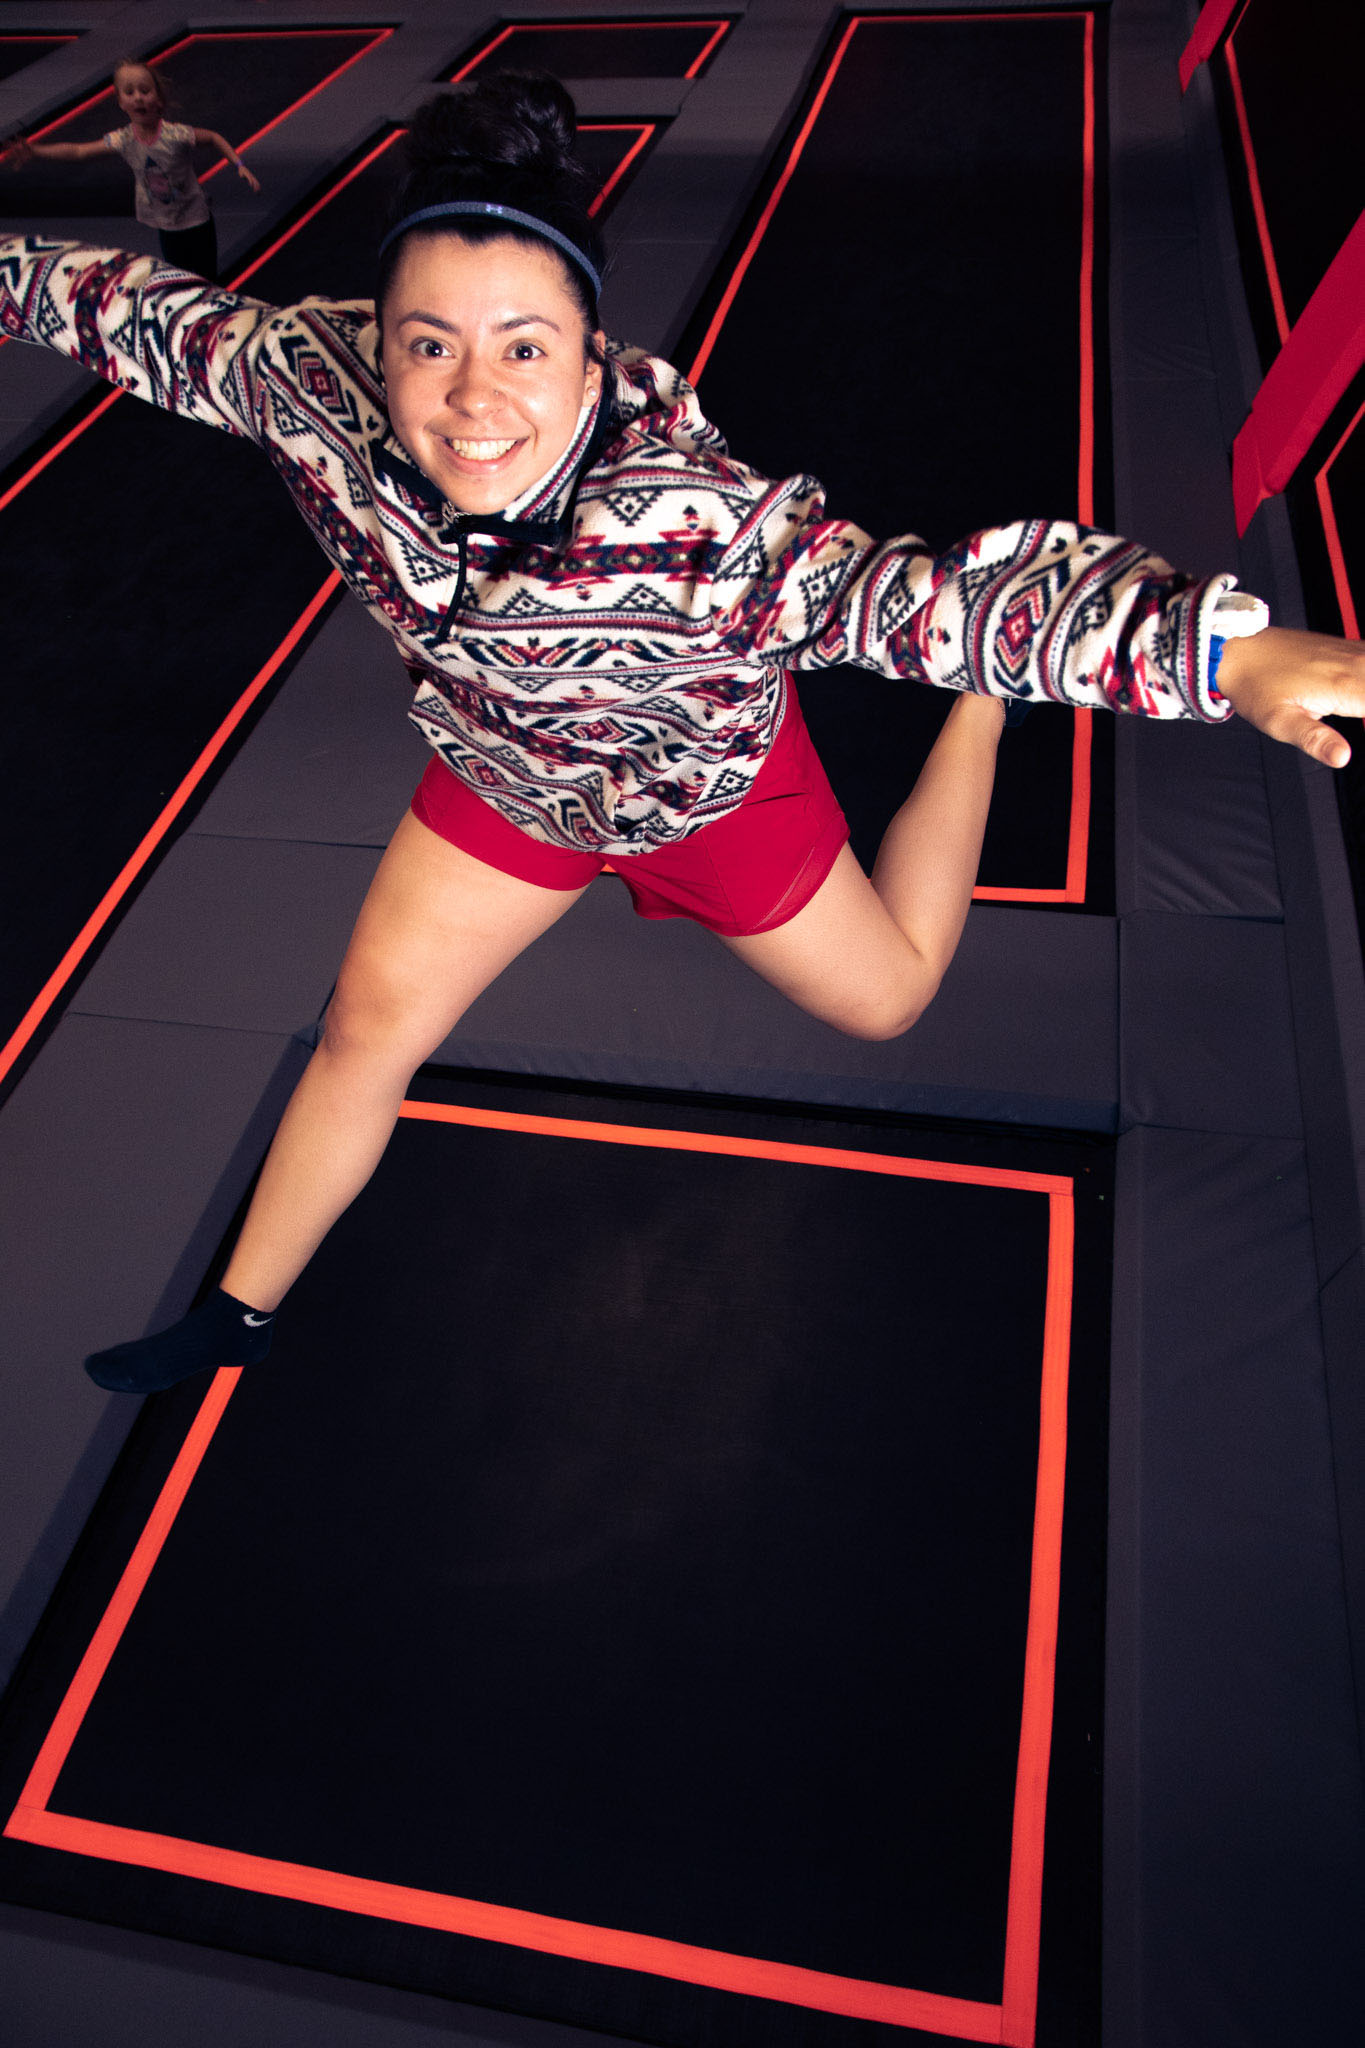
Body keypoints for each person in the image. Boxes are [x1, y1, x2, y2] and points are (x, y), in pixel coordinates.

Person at [1, 72, 1361, 1395]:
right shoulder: (310, 383)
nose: (473, 398)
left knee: (889, 997)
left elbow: (919, 599)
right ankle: (236, 1315)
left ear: (588, 349)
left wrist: (1213, 653)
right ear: (382, 338)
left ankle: (986, 716)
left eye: (522, 347)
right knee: (365, 1026)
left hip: (711, 790)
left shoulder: (692, 525)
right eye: (430, 344)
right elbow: (127, 307)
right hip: (510, 777)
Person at [1, 57, 260, 280]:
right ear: (121, 102)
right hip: (166, 225)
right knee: (180, 280)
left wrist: (239, 164)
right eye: (129, 92)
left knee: (207, 278)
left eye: (145, 91)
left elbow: (213, 137)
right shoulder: (124, 139)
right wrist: (36, 150)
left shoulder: (175, 135)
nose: (138, 97)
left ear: (158, 100)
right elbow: (80, 151)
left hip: (196, 219)